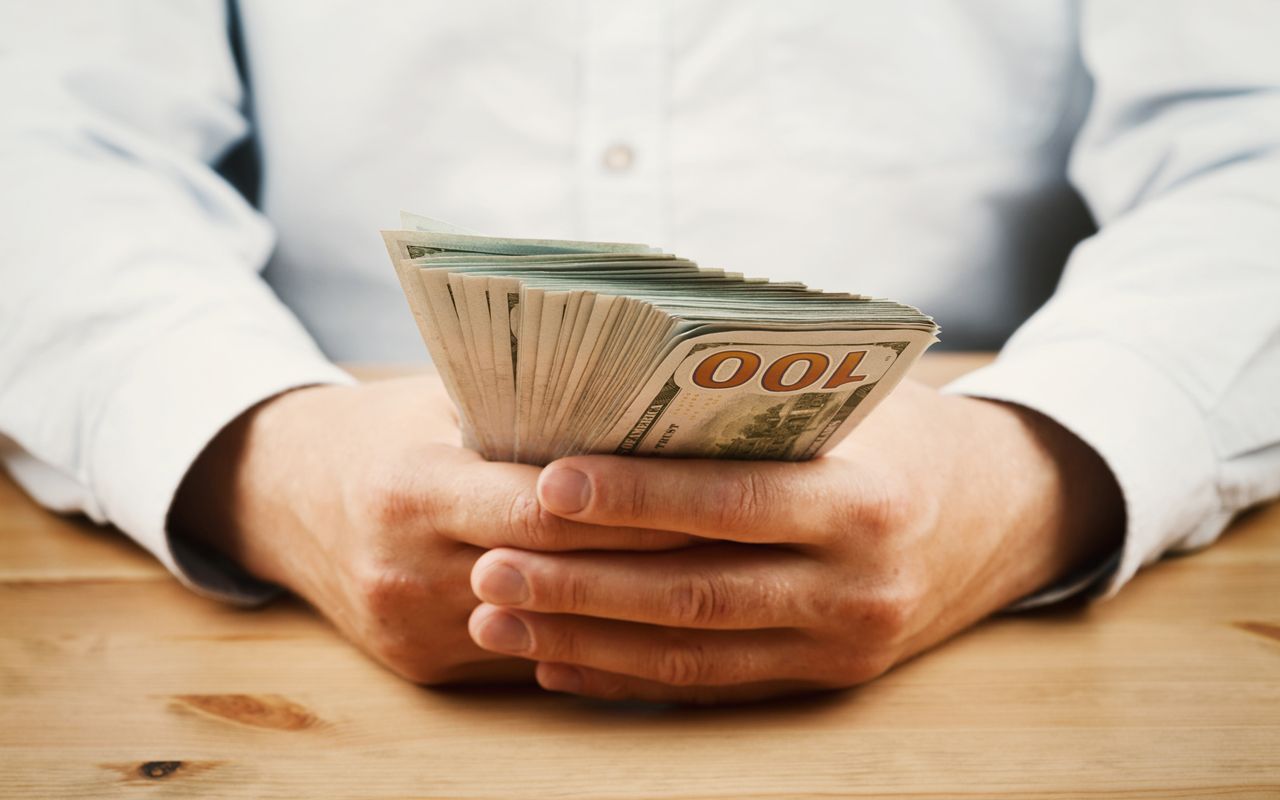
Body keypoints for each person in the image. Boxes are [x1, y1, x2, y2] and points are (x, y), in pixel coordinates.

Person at [2, 1, 1277, 703]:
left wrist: (1037, 474)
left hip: (999, 630)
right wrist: (258, 453)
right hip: (301, 629)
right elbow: (41, 130)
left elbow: (1255, 143)